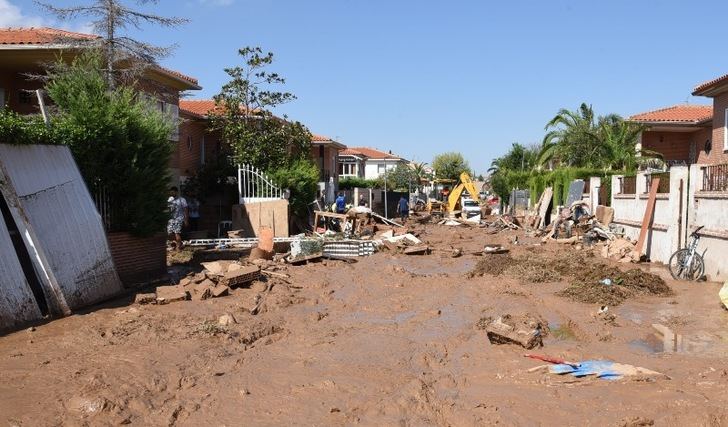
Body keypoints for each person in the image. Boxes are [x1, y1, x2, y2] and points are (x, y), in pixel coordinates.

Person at [167, 186, 188, 251]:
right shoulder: (170, 199)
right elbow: (168, 208)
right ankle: (179, 243)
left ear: (176, 192)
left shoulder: (182, 200)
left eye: (173, 192)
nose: (171, 193)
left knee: (177, 233)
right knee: (169, 233)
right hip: (171, 219)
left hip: (179, 218)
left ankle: (178, 247)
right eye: (171, 192)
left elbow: (185, 210)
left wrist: (186, 220)